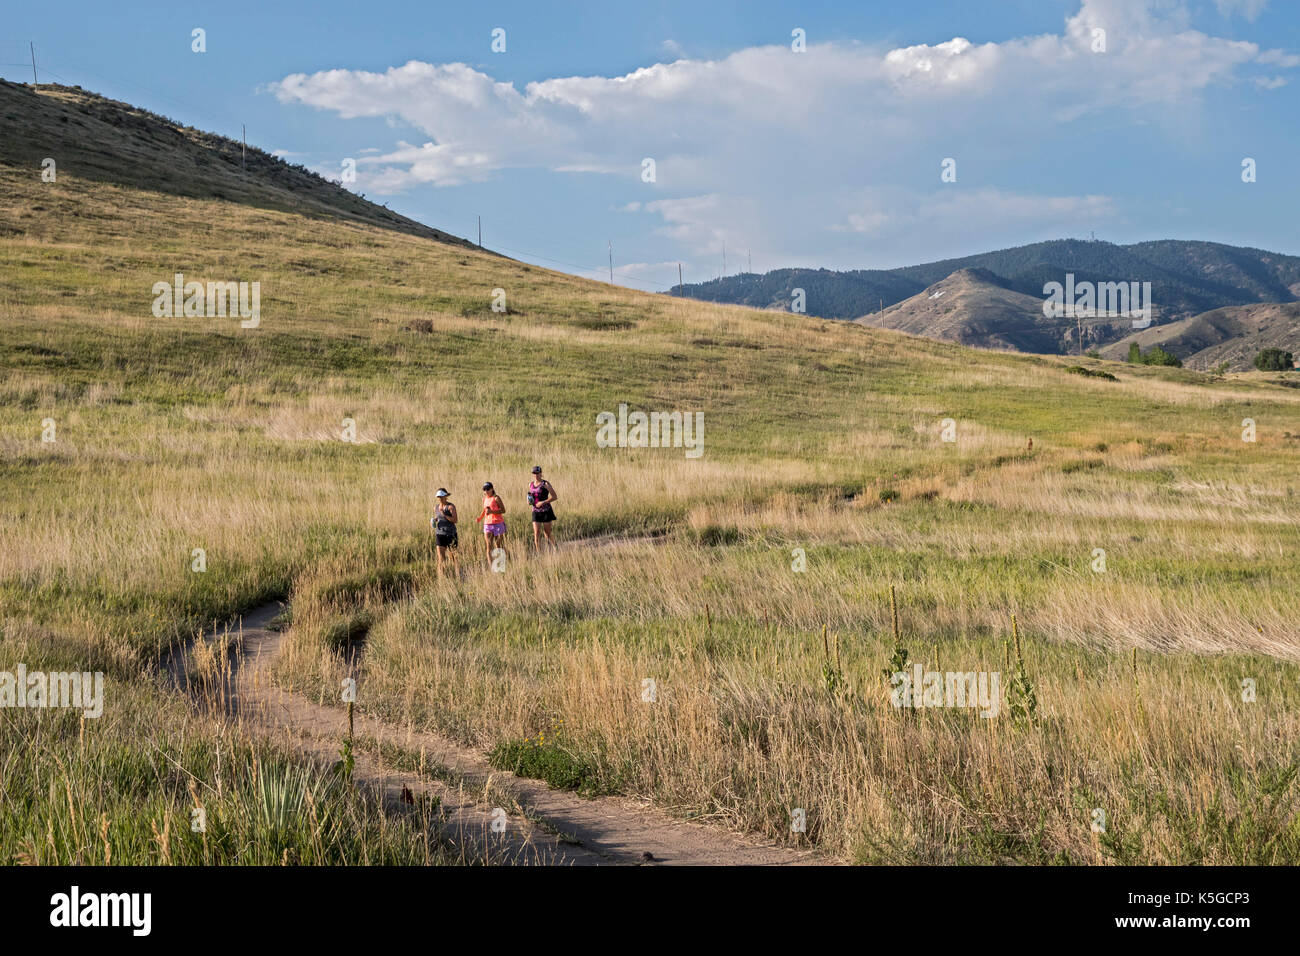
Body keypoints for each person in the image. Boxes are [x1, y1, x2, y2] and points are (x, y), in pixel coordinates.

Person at [527, 465, 558, 552]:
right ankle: (538, 553)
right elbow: (531, 496)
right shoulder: (531, 484)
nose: (536, 475)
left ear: (541, 473)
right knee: (536, 533)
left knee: (547, 534)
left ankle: (555, 546)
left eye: (537, 473)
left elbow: (555, 497)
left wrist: (543, 502)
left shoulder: (545, 484)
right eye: (534, 473)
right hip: (535, 511)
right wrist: (529, 500)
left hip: (546, 511)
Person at [476, 481, 507, 567]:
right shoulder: (484, 499)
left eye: (488, 489)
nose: (486, 491)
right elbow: (485, 510)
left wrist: (492, 511)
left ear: (492, 489)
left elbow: (503, 510)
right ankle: (491, 567)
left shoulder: (496, 498)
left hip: (498, 523)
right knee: (488, 546)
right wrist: (480, 518)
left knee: (498, 545)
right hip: (487, 524)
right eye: (484, 490)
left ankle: (500, 565)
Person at [430, 488, 458, 577]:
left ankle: (457, 575)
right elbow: (439, 517)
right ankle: (441, 578)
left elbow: (455, 520)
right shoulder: (436, 507)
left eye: (441, 496)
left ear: (446, 496)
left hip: (451, 534)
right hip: (440, 534)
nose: (440, 498)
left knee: (453, 558)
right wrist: (435, 520)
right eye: (438, 497)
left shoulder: (451, 507)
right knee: (440, 558)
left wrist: (445, 515)